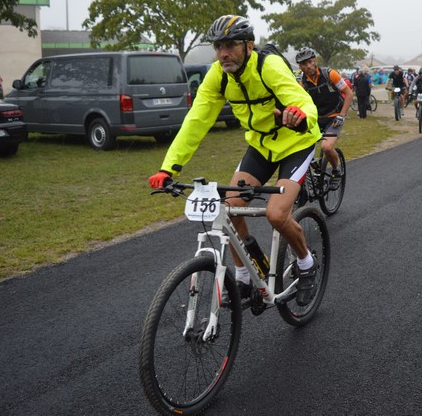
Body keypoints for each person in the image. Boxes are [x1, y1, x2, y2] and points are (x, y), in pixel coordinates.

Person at [148, 15, 322, 306]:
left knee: (277, 214)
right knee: (228, 209)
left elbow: (300, 99)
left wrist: (301, 116)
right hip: (261, 147)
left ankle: (306, 264)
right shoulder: (218, 75)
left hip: (297, 142)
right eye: (218, 46)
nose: (223, 53)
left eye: (230, 45)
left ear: (249, 45)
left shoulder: (268, 66)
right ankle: (243, 273)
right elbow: (197, 120)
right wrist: (169, 166)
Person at [296, 47, 353, 187]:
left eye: (310, 61)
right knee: (298, 147)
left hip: (334, 116)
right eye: (304, 64)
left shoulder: (330, 74)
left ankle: (336, 171)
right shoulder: (301, 82)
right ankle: (311, 174)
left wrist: (342, 115)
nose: (308, 66)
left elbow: (349, 93)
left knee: (327, 147)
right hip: (315, 118)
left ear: (315, 60)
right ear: (300, 66)